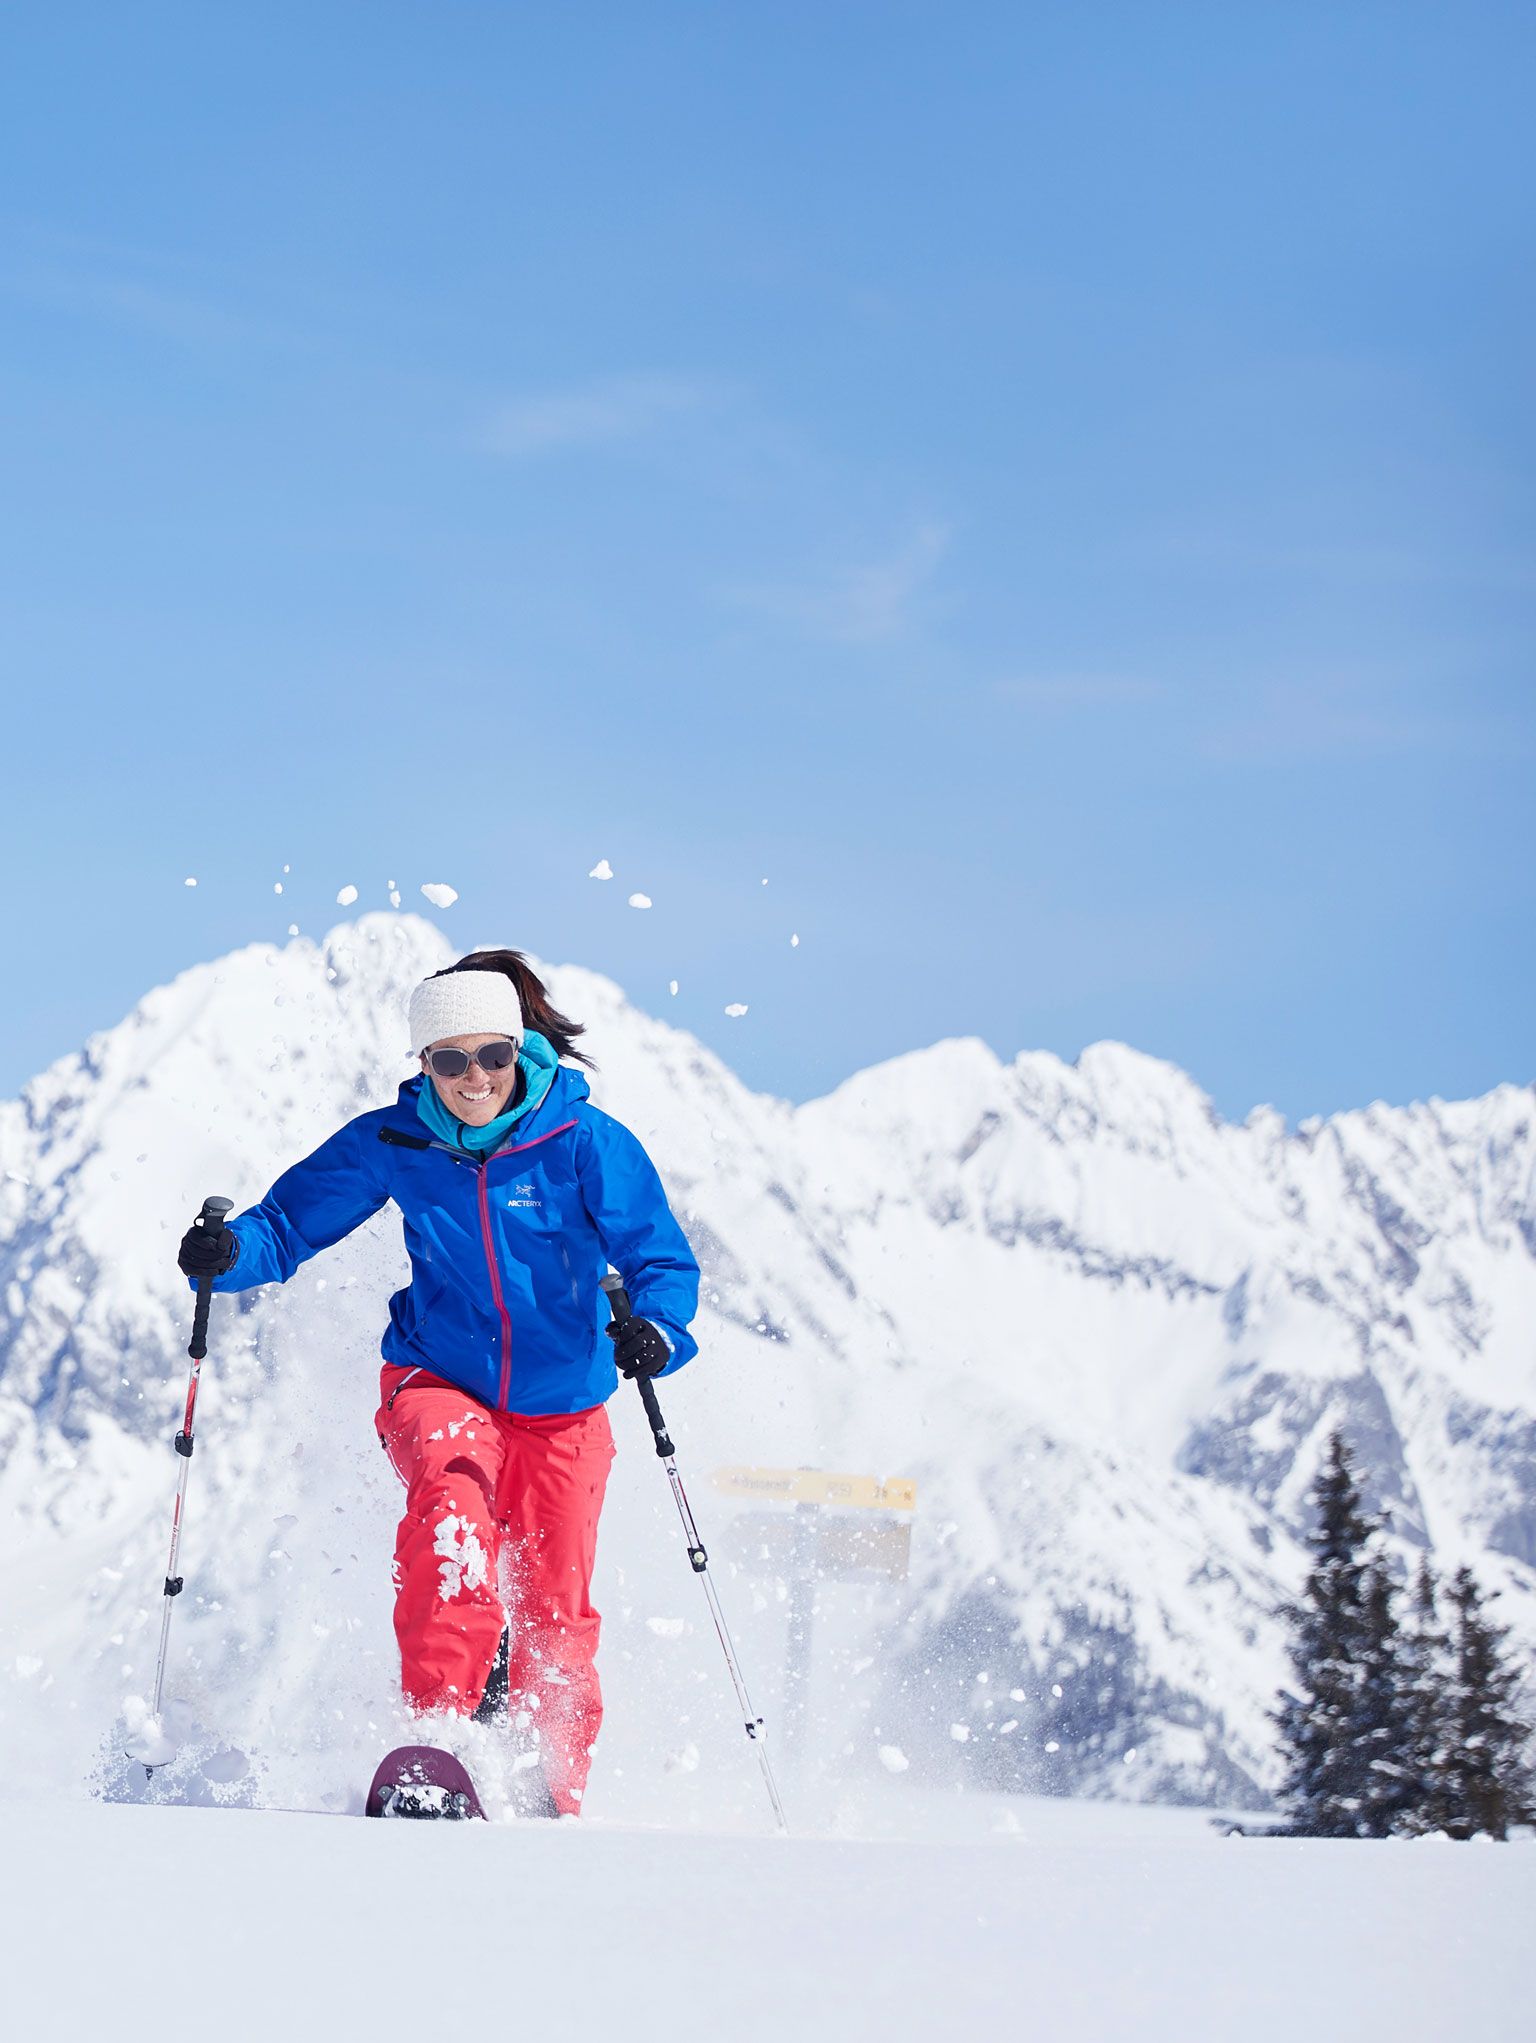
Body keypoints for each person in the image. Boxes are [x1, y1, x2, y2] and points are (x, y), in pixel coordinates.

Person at [176, 948, 701, 1815]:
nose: (474, 1078)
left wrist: (659, 1330)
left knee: (554, 1601)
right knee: (453, 1519)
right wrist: (228, 1257)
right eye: (449, 1060)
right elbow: (285, 1225)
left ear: (519, 1049)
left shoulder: (581, 1141)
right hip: (438, 1376)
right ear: (424, 1065)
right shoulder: (398, 1139)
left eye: (491, 1055)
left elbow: (658, 1257)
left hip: (564, 1403)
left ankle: (548, 1778)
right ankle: (439, 1737)